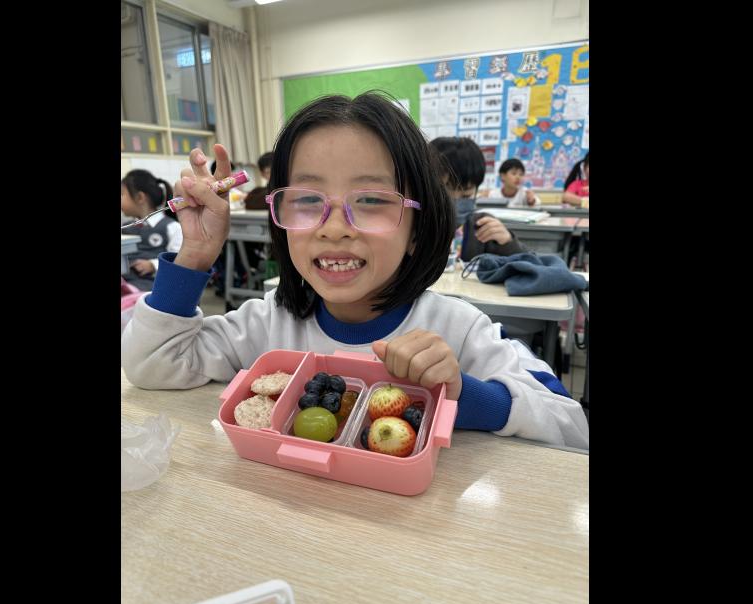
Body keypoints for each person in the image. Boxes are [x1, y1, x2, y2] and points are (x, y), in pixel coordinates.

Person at [122, 93, 588, 450]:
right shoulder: (268, 321)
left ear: (418, 228)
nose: (334, 228)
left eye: (370, 200)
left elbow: (571, 426)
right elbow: (151, 364)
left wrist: (463, 394)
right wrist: (197, 252)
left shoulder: (458, 330)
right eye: (308, 199)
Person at [429, 136, 526, 261]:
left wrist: (507, 241)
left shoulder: (482, 226)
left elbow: (529, 262)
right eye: (444, 195)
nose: (455, 203)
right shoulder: (412, 224)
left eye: (466, 195)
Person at [121, 169, 182, 290]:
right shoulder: (126, 227)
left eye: (122, 194)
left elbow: (179, 258)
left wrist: (153, 265)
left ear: (140, 197)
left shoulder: (171, 227)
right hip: (126, 283)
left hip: (152, 287)